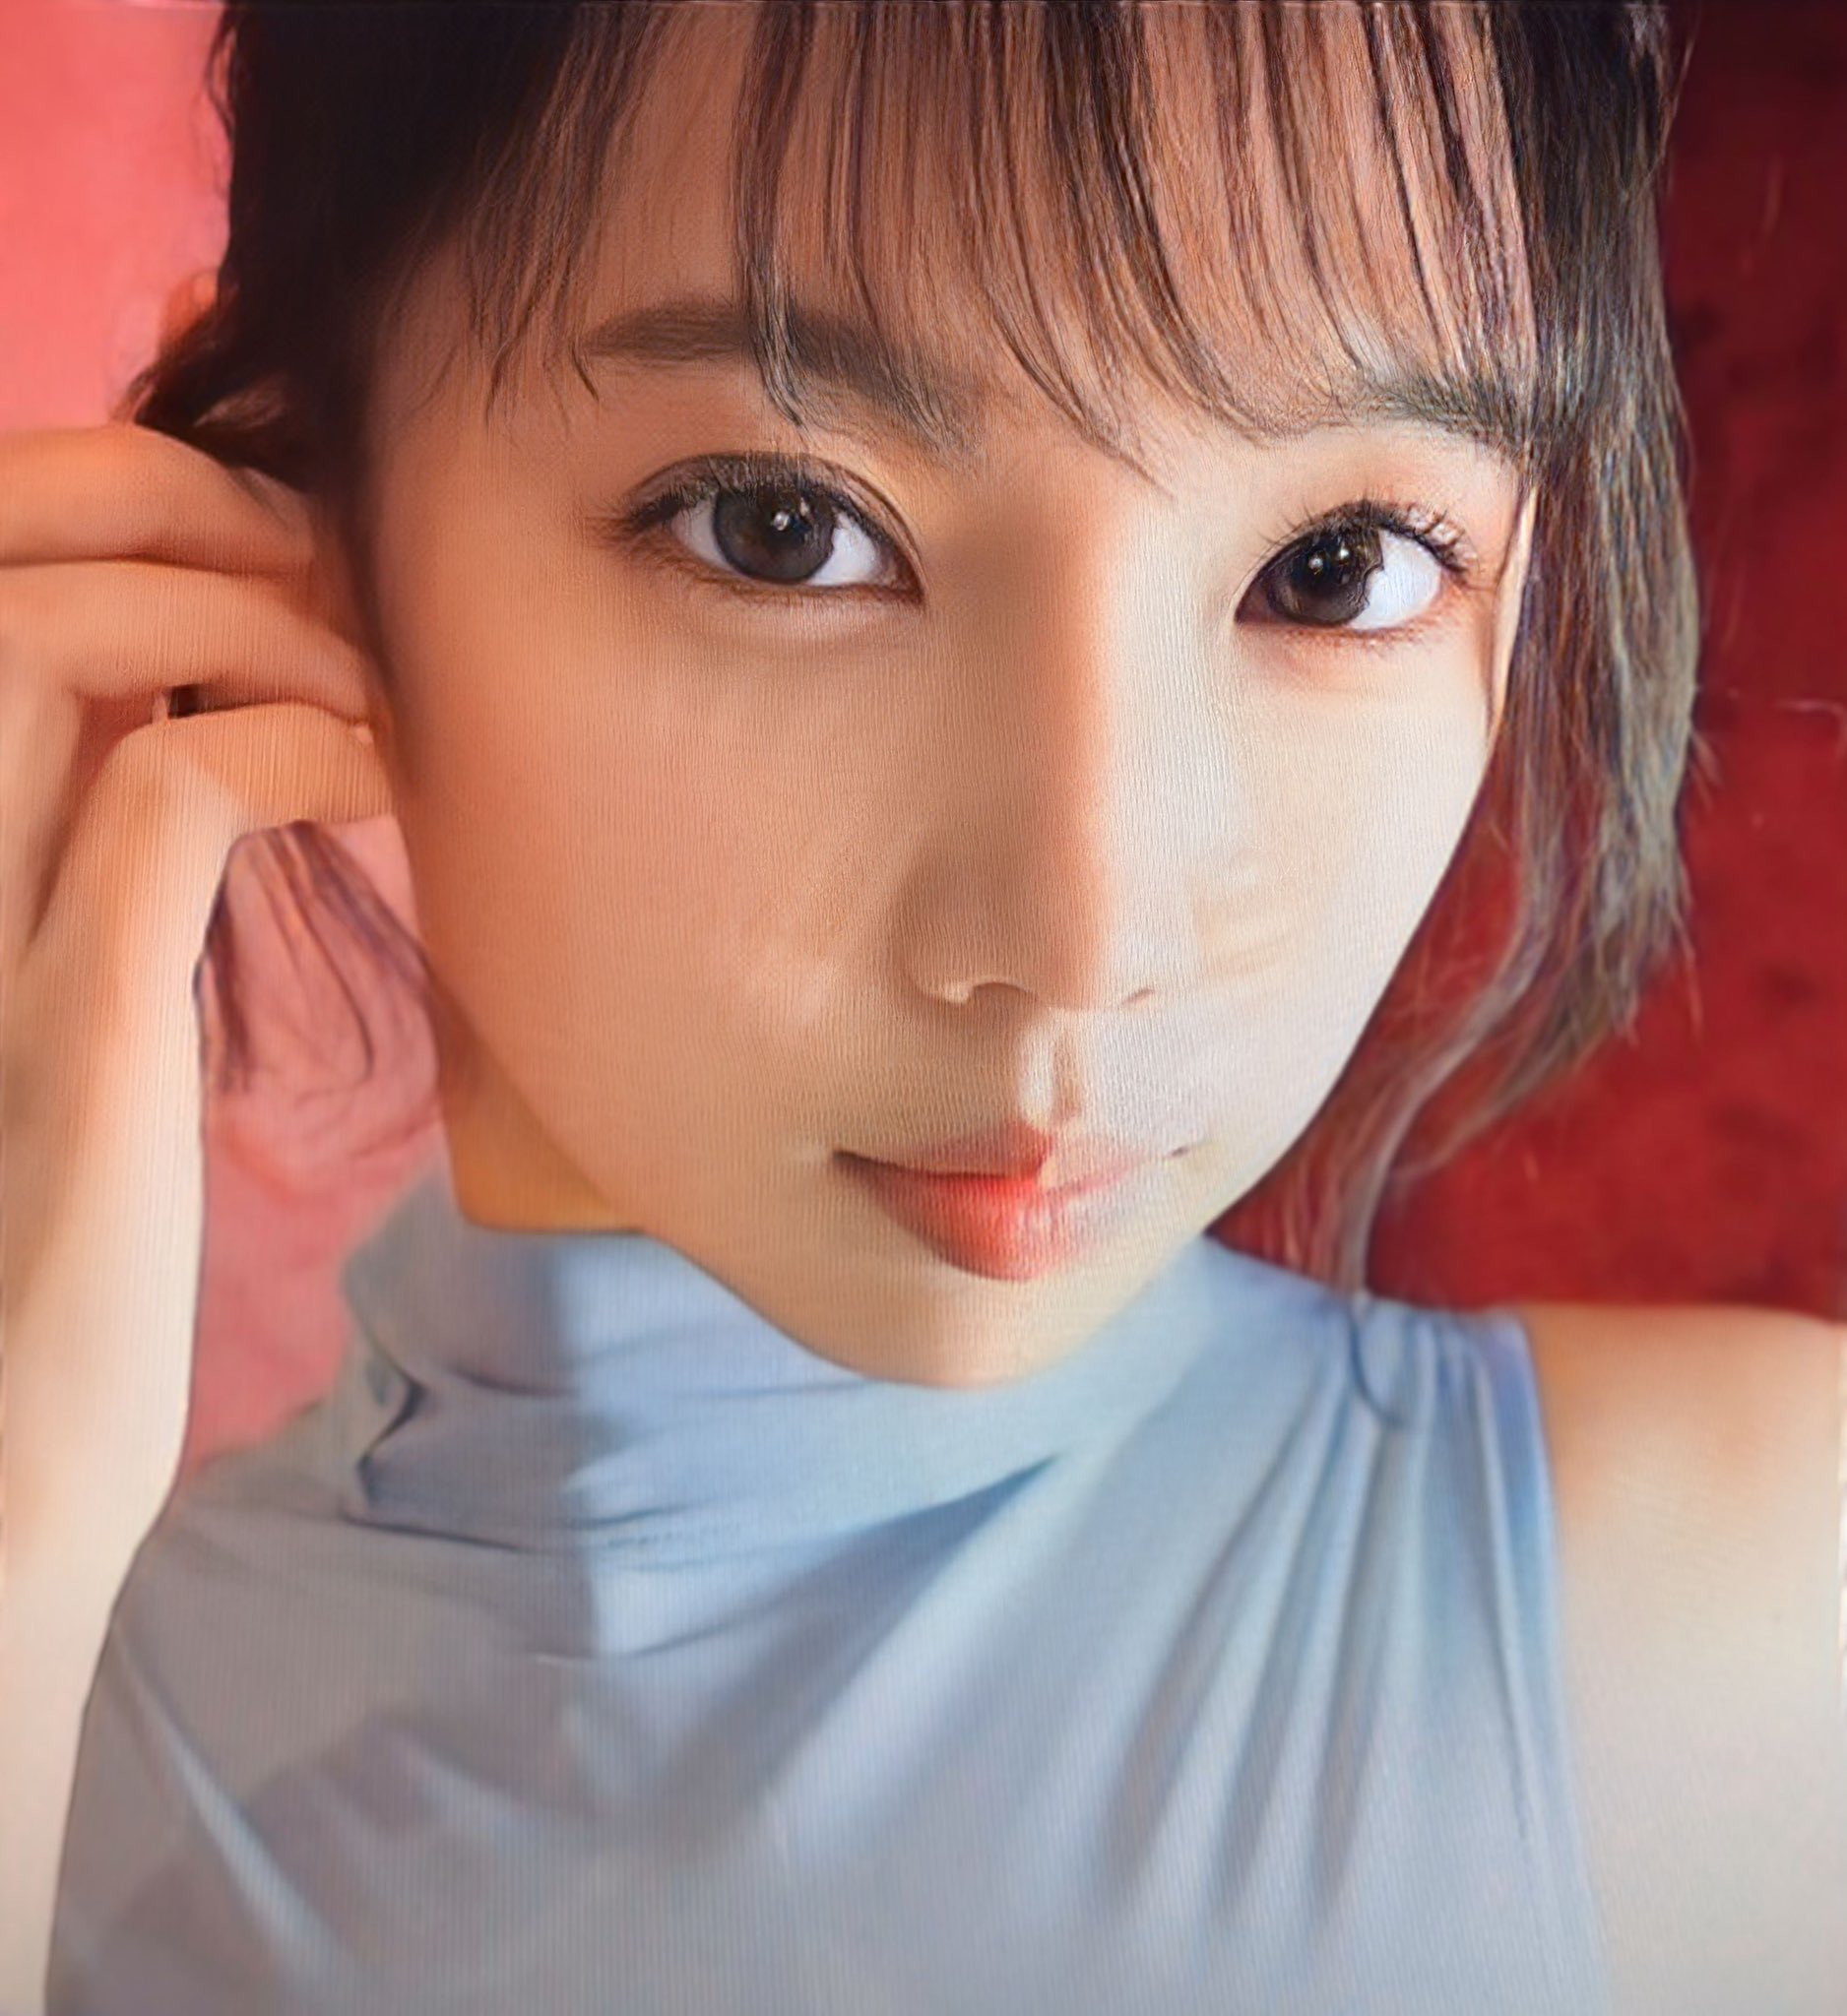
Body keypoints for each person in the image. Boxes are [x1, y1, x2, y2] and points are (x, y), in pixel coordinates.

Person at [2, 1, 1843, 2011]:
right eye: (781, 528)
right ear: (299, 522)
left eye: (1337, 568)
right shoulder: (69, 1718)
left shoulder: (1751, 1651)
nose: (1087, 939)